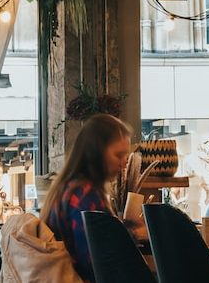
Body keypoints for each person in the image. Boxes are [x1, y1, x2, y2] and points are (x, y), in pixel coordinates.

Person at [41, 114, 140, 283]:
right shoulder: (85, 195)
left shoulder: (67, 188)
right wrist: (134, 233)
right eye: (118, 155)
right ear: (96, 153)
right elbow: (97, 262)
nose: (124, 163)